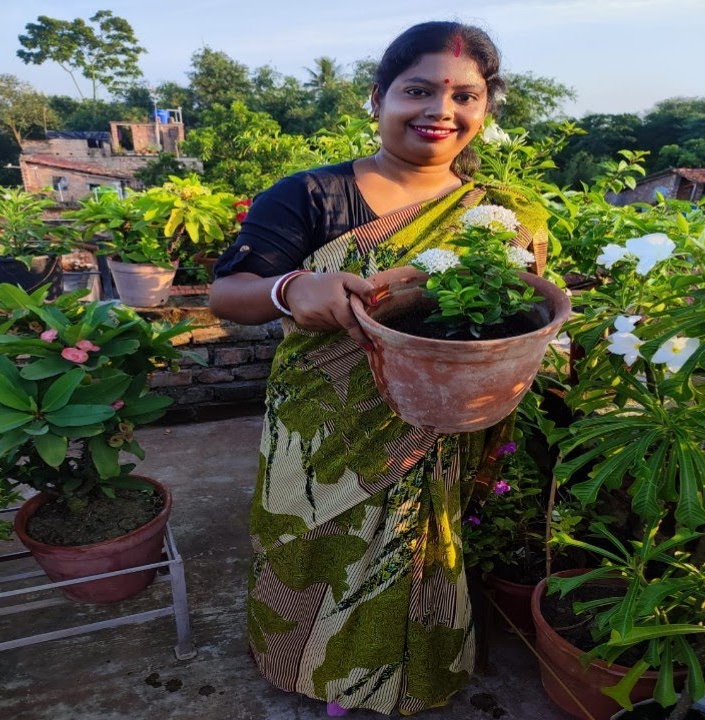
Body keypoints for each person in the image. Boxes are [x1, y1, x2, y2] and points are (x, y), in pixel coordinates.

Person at [209, 21, 548, 716]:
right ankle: (315, 668)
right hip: (322, 429)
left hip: (442, 421)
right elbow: (227, 294)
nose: (441, 111)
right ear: (378, 98)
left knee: (421, 544)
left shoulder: (502, 214)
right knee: (315, 545)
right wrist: (290, 289)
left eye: (465, 95)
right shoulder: (309, 195)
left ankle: (409, 671)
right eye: (418, 90)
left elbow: (530, 306)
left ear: (488, 107)